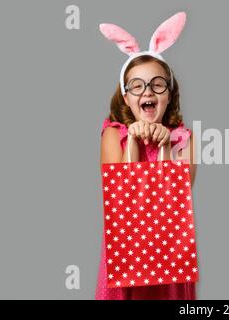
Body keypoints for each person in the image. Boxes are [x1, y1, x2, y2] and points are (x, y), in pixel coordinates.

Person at [95, 12, 197, 300]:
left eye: (157, 84)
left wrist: (164, 146)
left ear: (169, 92)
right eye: (137, 85)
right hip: (126, 256)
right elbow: (121, 196)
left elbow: (176, 198)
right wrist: (135, 142)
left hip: (169, 258)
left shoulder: (184, 139)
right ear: (126, 97)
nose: (147, 91)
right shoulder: (113, 135)